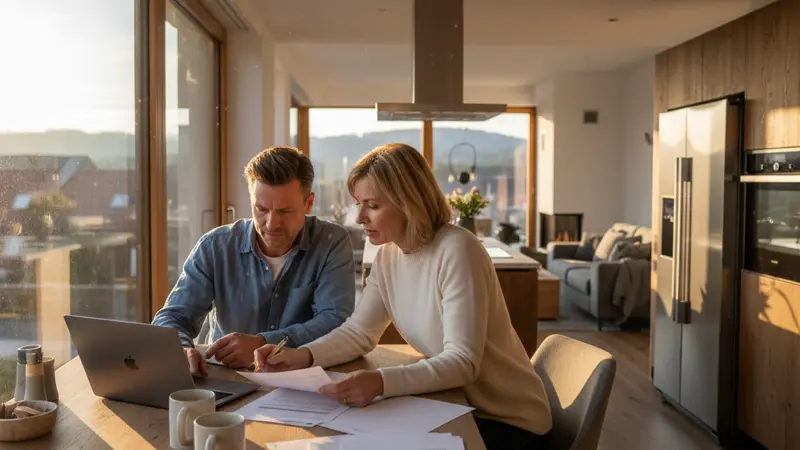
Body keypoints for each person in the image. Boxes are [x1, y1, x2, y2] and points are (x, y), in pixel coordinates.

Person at [253, 143, 552, 449]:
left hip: (509, 421)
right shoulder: (388, 256)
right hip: (455, 404)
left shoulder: (458, 250)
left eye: (372, 205)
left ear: (408, 202)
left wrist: (381, 381)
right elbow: (359, 333)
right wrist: (302, 356)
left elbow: (463, 362)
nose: (359, 217)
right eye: (358, 203)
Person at [152, 146, 356, 377]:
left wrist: (263, 342)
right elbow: (173, 317)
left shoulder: (332, 243)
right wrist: (181, 348)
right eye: (261, 209)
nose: (271, 223)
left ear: (308, 203)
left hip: (302, 378)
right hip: (226, 377)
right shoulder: (215, 246)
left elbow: (336, 322)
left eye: (285, 211)